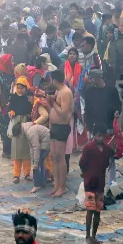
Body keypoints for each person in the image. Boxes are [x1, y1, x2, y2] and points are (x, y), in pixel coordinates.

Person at [79, 125, 113, 244]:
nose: (100, 138)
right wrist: (85, 174)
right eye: (98, 135)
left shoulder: (107, 149)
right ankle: (88, 236)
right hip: (89, 184)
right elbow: (81, 163)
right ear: (94, 135)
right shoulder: (88, 148)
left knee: (98, 210)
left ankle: (94, 236)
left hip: (100, 184)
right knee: (90, 209)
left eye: (102, 136)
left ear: (104, 137)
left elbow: (112, 155)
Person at [48, 69, 73, 197]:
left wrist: (52, 102)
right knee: (53, 156)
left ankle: (62, 186)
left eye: (51, 79)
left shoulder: (66, 92)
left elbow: (64, 112)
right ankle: (56, 184)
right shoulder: (58, 91)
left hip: (62, 127)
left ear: (54, 80)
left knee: (60, 156)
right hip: (54, 126)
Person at [12, 121, 50, 194]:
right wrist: (32, 158)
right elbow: (31, 147)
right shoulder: (27, 130)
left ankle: (37, 185)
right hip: (44, 141)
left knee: (37, 165)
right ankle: (42, 182)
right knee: (40, 163)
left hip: (46, 142)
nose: (19, 138)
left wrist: (35, 162)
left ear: (20, 132)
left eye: (19, 136)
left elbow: (36, 147)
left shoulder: (30, 132)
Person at [9, 77, 33, 183]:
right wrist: (11, 113)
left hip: (26, 123)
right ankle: (16, 174)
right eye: (18, 88)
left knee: (26, 150)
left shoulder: (28, 98)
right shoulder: (13, 97)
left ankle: (27, 173)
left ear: (26, 88)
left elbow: (31, 110)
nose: (20, 90)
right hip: (16, 125)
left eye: (22, 88)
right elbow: (10, 109)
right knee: (16, 150)